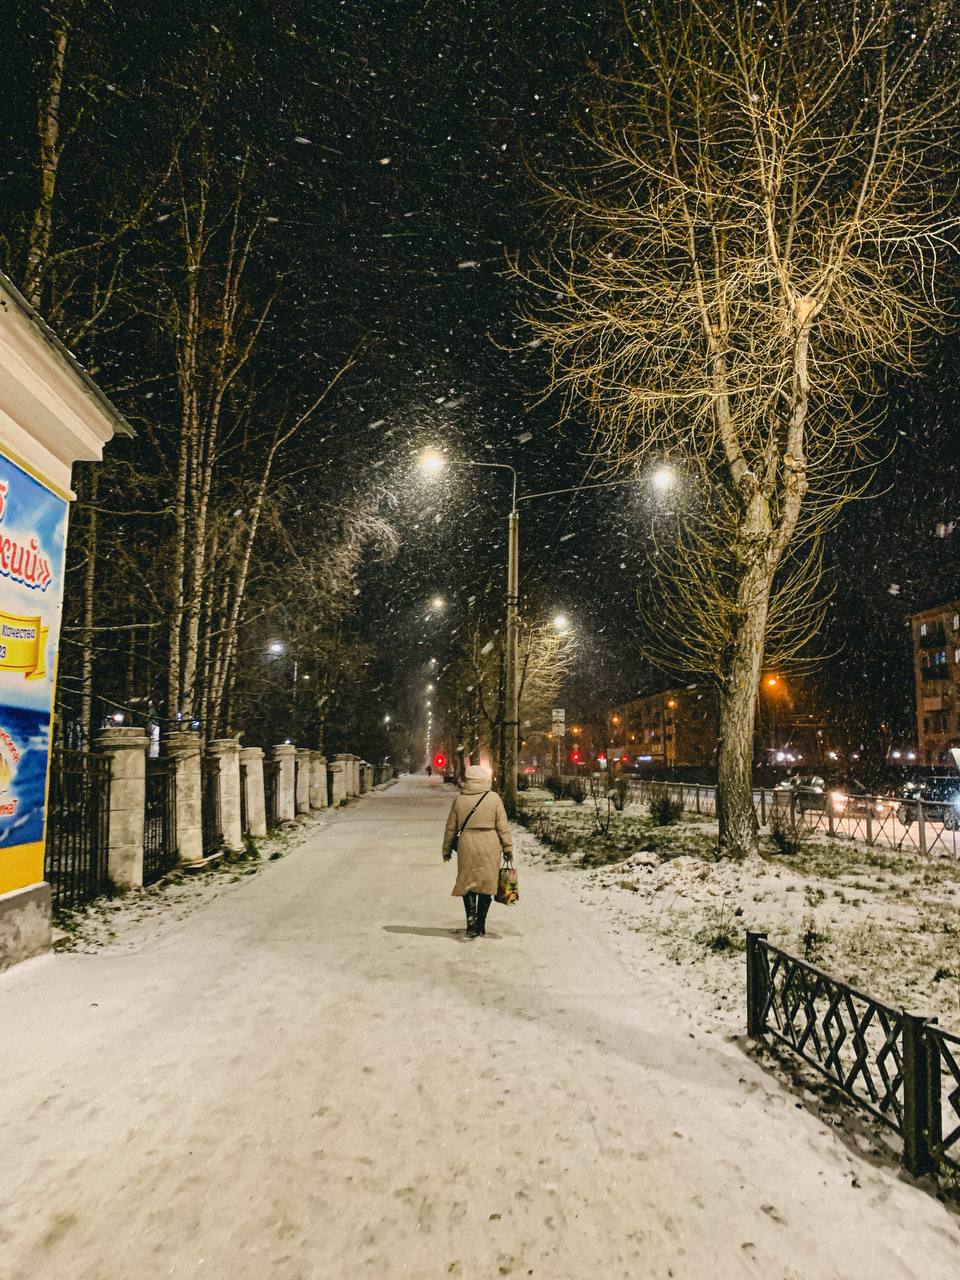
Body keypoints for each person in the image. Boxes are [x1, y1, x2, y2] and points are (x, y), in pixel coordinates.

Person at [442, 764, 512, 939]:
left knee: (468, 883)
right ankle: (481, 923)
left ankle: (471, 922)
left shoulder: (460, 800)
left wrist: (446, 849)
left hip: (467, 843)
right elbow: (503, 827)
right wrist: (508, 848)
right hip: (490, 843)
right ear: (483, 779)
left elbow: (451, 827)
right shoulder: (494, 798)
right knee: (487, 884)